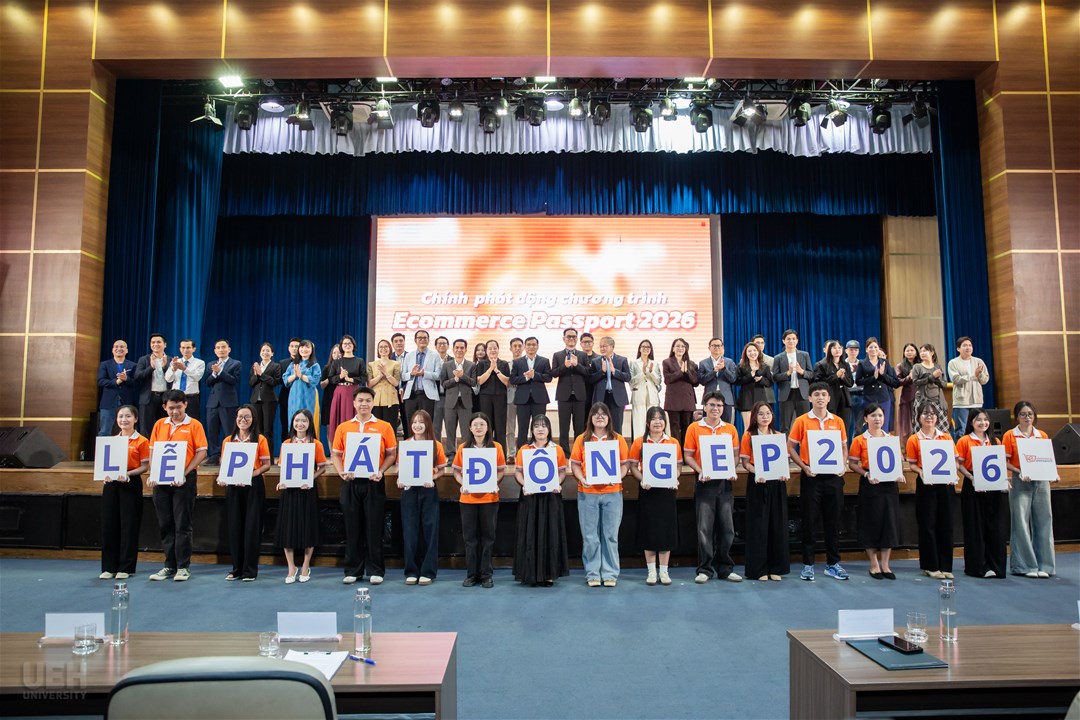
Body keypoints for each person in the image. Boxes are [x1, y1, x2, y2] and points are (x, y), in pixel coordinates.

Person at [333, 386, 398, 585]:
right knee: (352, 527)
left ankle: (376, 570)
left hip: (373, 482)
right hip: (351, 482)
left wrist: (381, 470)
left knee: (374, 527)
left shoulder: (384, 426)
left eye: (368, 400)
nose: (364, 404)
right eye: (360, 400)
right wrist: (341, 471)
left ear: (373, 403)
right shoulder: (343, 427)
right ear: (354, 403)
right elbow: (336, 455)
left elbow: (391, 454)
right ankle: (353, 570)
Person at [788, 382, 848, 582]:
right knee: (809, 521)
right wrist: (804, 467)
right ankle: (808, 564)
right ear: (810, 398)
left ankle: (833, 564)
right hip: (811, 477)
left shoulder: (837, 421)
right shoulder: (802, 421)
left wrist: (843, 464)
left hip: (833, 477)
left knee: (834, 521)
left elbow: (843, 446)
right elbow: (790, 447)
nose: (820, 397)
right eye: (816, 394)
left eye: (823, 394)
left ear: (829, 398)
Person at [147, 390, 208, 582]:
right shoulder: (159, 424)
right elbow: (152, 450)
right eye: (171, 408)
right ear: (164, 407)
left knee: (182, 524)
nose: (175, 412)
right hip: (162, 481)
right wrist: (153, 473)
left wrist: (184, 473)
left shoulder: (194, 424)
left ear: (186, 405)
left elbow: (202, 452)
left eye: (179, 407)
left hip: (184, 480)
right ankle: (169, 565)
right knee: (165, 524)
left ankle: (183, 567)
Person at [683, 391, 743, 584]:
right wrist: (700, 470)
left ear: (723, 408)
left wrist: (732, 468)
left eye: (719, 405)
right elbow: (688, 455)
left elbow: (735, 455)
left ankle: (725, 568)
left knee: (727, 529)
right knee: (704, 529)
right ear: (704, 406)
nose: (715, 409)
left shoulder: (730, 429)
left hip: (725, 484)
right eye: (711, 405)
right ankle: (705, 569)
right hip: (704, 483)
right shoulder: (694, 428)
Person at [570, 403, 629, 587]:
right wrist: (582, 478)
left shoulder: (618, 439)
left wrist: (617, 477)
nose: (600, 417)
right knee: (590, 536)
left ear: (609, 418)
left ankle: (610, 573)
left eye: (604, 414)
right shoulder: (582, 439)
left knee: (610, 536)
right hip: (588, 493)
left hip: (613, 493)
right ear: (591, 418)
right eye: (596, 414)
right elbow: (575, 464)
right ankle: (593, 573)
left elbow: (625, 464)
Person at [513, 414, 569, 587]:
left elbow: (562, 472)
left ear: (549, 430)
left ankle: (549, 574)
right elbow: (518, 472)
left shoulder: (557, 449)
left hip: (550, 497)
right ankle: (529, 573)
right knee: (529, 533)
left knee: (550, 534)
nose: (540, 429)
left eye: (544, 426)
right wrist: (525, 484)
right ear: (532, 430)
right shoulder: (524, 449)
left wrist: (557, 483)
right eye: (536, 426)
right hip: (530, 497)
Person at [848, 403, 902, 580]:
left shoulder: (891, 438)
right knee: (870, 523)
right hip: (870, 484)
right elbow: (852, 464)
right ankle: (874, 564)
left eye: (880, 415)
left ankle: (886, 564)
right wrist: (866, 474)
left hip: (889, 486)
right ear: (865, 419)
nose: (877, 419)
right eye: (873, 416)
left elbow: (897, 462)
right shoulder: (859, 440)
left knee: (889, 523)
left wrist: (899, 473)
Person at [1003, 401, 1057, 578]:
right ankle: (1025, 566)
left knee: (1044, 521)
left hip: (1041, 481)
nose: (1027, 417)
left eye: (1030, 414)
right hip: (1020, 481)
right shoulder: (1010, 435)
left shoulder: (1042, 435)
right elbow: (1005, 461)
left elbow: (1047, 459)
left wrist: (1053, 473)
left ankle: (1045, 566)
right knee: (1020, 523)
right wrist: (1019, 471)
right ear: (1017, 417)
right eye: (1023, 414)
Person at [217, 404, 270, 581]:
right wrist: (222, 477)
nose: (243, 420)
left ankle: (249, 570)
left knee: (252, 529)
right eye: (240, 416)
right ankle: (236, 569)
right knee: (234, 528)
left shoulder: (260, 439)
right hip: (233, 487)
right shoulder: (228, 440)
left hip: (253, 485)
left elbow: (266, 465)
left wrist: (249, 475)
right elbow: (224, 464)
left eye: (247, 417)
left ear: (253, 419)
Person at [454, 412, 506, 588]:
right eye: (475, 424)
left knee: (488, 538)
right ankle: (471, 574)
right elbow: (456, 471)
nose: (478, 428)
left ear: (487, 427)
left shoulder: (496, 447)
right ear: (470, 428)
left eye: (482, 424)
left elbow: (500, 470)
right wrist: (463, 483)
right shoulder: (463, 448)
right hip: (467, 499)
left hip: (489, 499)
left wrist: (495, 482)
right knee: (470, 539)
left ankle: (486, 574)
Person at [276, 408, 327, 583]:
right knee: (287, 529)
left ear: (309, 423)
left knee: (308, 528)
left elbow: (322, 467)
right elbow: (283, 468)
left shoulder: (316, 444)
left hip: (307, 491)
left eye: (304, 421)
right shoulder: (286, 443)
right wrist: (282, 482)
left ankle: (305, 565)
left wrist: (310, 479)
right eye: (297, 420)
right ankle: (291, 567)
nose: (300, 424)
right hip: (289, 491)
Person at [629, 406, 679, 586]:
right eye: (654, 418)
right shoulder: (639, 442)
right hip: (648, 491)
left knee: (666, 531)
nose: (657, 422)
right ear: (647, 423)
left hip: (667, 492)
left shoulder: (673, 442)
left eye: (660, 418)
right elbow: (633, 466)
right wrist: (642, 479)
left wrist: (675, 478)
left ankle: (664, 571)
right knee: (648, 530)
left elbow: (678, 466)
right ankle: (651, 571)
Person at [906, 403, 957, 579]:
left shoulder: (946, 438)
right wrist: (920, 472)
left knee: (946, 524)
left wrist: (953, 473)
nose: (929, 417)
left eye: (932, 414)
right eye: (925, 414)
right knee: (927, 525)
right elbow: (912, 464)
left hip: (946, 485)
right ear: (918, 418)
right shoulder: (914, 439)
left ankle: (946, 566)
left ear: (937, 418)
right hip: (926, 485)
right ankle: (930, 566)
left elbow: (954, 460)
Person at [98, 405, 150, 579]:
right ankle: (109, 567)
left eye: (128, 416)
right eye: (120, 416)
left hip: (130, 483)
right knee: (109, 525)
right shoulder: (111, 441)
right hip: (111, 484)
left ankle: (125, 567)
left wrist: (128, 474)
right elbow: (105, 465)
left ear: (136, 419)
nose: (124, 420)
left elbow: (145, 466)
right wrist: (105, 475)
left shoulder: (142, 441)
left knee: (129, 525)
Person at [740, 401, 789, 582]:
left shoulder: (778, 436)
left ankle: (776, 567)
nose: (765, 417)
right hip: (758, 482)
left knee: (777, 524)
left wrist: (783, 473)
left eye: (768, 413)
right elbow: (745, 463)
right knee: (758, 526)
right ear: (755, 416)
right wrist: (757, 472)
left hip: (777, 483)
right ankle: (758, 569)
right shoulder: (748, 436)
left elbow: (783, 461)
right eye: (761, 414)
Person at [955, 409, 1007, 579]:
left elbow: (999, 464)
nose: (983, 423)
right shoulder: (964, 441)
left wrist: (1004, 481)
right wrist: (971, 478)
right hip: (973, 486)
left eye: (985, 419)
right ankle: (978, 566)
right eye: (978, 420)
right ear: (971, 422)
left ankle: (996, 566)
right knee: (975, 527)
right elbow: (959, 464)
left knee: (995, 527)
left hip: (993, 488)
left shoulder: (995, 441)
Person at [398, 410, 446, 586]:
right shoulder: (405, 444)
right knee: (410, 532)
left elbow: (442, 469)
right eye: (414, 422)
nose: (417, 425)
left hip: (428, 491)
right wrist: (400, 480)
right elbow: (400, 468)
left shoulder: (436, 445)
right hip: (409, 491)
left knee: (430, 531)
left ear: (428, 424)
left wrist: (433, 477)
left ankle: (428, 571)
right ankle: (411, 570)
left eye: (421, 422)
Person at [552, 328, 591, 455]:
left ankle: (578, 453)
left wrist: (576, 365)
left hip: (580, 396)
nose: (571, 339)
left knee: (579, 428)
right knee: (564, 428)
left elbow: (588, 373)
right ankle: (565, 454)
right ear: (564, 339)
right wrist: (565, 366)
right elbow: (554, 373)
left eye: (574, 336)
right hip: (564, 396)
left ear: (577, 339)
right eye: (569, 336)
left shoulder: (583, 355)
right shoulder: (557, 355)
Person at [510, 336, 552, 451]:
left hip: (540, 399)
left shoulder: (544, 361)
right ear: (525, 347)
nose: (531, 347)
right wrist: (526, 378)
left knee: (539, 427)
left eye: (534, 344)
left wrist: (535, 375)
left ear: (537, 346)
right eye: (528, 344)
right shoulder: (517, 362)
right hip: (522, 400)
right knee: (522, 428)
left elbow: (548, 377)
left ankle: (540, 450)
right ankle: (521, 453)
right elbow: (513, 379)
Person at [204, 339, 241, 465]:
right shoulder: (210, 364)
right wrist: (214, 374)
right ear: (215, 351)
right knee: (212, 430)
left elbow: (234, 380)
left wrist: (220, 372)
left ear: (229, 349)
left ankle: (230, 455)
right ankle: (214, 455)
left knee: (229, 430)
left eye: (223, 347)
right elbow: (208, 382)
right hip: (213, 403)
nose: (221, 350)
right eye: (218, 348)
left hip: (228, 402)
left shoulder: (235, 363)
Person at [947, 336, 990, 440]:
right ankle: (960, 449)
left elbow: (985, 380)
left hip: (977, 401)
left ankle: (976, 448)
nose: (968, 347)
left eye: (970, 345)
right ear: (958, 348)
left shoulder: (978, 361)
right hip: (961, 402)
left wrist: (979, 375)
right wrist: (973, 375)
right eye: (965, 345)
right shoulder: (953, 363)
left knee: (978, 428)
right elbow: (955, 379)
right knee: (961, 430)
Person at [855, 337, 900, 434]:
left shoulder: (884, 362)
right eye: (870, 347)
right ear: (866, 350)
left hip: (883, 398)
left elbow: (895, 383)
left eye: (875, 347)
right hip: (869, 398)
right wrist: (873, 378)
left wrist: (883, 375)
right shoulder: (862, 363)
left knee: (883, 426)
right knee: (870, 426)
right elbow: (858, 381)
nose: (873, 349)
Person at [473, 340, 511, 448]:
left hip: (500, 397)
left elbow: (507, 382)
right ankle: (487, 451)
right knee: (487, 426)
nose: (493, 350)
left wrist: (497, 370)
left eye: (495, 348)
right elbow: (480, 381)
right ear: (486, 350)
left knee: (500, 427)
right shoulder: (481, 364)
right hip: (485, 398)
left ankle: (501, 453)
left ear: (498, 350)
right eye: (490, 348)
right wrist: (491, 368)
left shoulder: (504, 364)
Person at [328, 334, 366, 441]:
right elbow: (330, 379)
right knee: (339, 418)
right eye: (345, 344)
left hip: (354, 391)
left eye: (349, 343)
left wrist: (350, 379)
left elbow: (363, 377)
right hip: (340, 392)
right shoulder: (337, 362)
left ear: (353, 345)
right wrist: (340, 376)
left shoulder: (359, 361)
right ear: (341, 346)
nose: (347, 345)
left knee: (353, 416)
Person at [590, 336, 632, 435]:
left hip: (617, 398)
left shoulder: (622, 360)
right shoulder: (595, 361)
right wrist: (602, 372)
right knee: (600, 426)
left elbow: (628, 377)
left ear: (612, 346)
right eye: (601, 346)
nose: (602, 348)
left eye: (604, 346)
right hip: (601, 397)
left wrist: (614, 371)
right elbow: (591, 379)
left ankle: (617, 444)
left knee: (617, 427)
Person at [772, 329, 811, 432]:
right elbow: (775, 377)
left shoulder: (804, 355)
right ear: (783, 341)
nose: (791, 341)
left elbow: (811, 375)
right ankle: (785, 443)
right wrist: (788, 373)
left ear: (797, 341)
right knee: (785, 426)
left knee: (804, 425)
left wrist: (801, 371)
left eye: (794, 339)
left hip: (802, 394)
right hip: (786, 395)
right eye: (788, 339)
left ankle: (804, 443)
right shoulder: (778, 358)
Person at [97, 340, 138, 436]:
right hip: (108, 402)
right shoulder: (105, 364)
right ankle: (103, 447)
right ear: (112, 350)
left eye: (122, 347)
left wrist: (126, 379)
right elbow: (100, 381)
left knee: (128, 430)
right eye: (116, 347)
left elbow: (137, 383)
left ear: (127, 350)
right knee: (105, 431)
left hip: (127, 401)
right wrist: (116, 382)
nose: (119, 349)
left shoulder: (133, 365)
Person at [441, 338, 476, 453]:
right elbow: (444, 384)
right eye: (457, 347)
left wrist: (462, 376)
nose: (459, 350)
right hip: (450, 403)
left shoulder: (471, 365)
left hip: (465, 403)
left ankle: (466, 454)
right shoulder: (446, 365)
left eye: (462, 348)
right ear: (453, 349)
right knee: (450, 431)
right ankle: (451, 455)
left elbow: (473, 382)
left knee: (466, 431)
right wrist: (455, 379)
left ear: (466, 350)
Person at [662, 337, 699, 444]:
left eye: (683, 346)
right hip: (673, 401)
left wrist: (686, 372)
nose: (680, 348)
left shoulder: (691, 364)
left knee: (687, 427)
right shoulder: (667, 362)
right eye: (677, 346)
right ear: (673, 348)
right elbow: (667, 380)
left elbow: (695, 382)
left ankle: (686, 451)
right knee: (675, 428)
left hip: (687, 400)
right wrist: (680, 372)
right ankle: (677, 451)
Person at [401, 330, 442, 422]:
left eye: (425, 338)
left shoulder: (435, 356)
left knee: (426, 423)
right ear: (415, 340)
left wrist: (425, 374)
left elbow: (438, 375)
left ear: (428, 340)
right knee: (411, 423)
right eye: (420, 338)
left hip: (427, 396)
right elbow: (403, 376)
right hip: (411, 395)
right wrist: (411, 373)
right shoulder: (408, 356)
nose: (422, 340)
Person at [248, 342, 282, 454]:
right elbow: (251, 383)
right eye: (263, 350)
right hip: (255, 400)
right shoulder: (255, 366)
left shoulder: (276, 366)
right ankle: (257, 455)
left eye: (268, 350)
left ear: (272, 353)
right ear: (260, 353)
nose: (265, 352)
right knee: (257, 429)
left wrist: (261, 374)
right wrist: (256, 374)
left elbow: (274, 382)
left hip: (269, 400)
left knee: (267, 430)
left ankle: (269, 457)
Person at [284, 339, 321, 439]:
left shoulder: (314, 365)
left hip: (308, 396)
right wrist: (295, 375)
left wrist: (301, 376)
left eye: (307, 347)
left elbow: (315, 380)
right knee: (293, 417)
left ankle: (309, 441)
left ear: (312, 350)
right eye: (302, 347)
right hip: (294, 396)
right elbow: (286, 379)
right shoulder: (293, 364)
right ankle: (294, 441)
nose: (304, 349)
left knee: (307, 417)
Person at [911, 343, 950, 435]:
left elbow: (944, 384)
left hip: (937, 401)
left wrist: (937, 379)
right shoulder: (917, 367)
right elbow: (915, 382)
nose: (922, 353)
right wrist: (931, 377)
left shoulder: (938, 367)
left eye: (925, 351)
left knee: (941, 428)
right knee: (921, 427)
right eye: (921, 351)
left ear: (932, 353)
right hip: (922, 401)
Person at [134, 333, 169, 435]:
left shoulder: (170, 360)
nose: (155, 344)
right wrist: (151, 368)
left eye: (158, 342)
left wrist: (165, 368)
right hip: (148, 397)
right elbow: (137, 376)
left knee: (164, 428)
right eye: (153, 342)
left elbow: (173, 379)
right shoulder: (144, 359)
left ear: (165, 344)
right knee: (145, 429)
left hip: (165, 398)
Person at [628, 339, 662, 443]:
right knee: (639, 424)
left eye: (648, 347)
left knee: (653, 421)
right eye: (643, 347)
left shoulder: (655, 363)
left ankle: (653, 444)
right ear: (639, 349)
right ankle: (639, 446)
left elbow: (658, 381)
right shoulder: (634, 363)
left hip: (652, 397)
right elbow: (631, 381)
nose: (646, 349)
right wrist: (642, 373)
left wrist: (651, 372)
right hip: (639, 397)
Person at [164, 339, 205, 422]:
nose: (185, 350)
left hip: (191, 398)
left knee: (192, 422)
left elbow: (197, 377)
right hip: (176, 398)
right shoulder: (175, 362)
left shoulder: (199, 363)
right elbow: (168, 379)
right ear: (180, 349)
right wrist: (173, 369)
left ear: (194, 349)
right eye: (183, 348)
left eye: (188, 347)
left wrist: (184, 368)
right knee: (175, 421)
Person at [699, 338, 738, 424]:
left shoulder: (729, 362)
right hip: (709, 398)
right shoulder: (703, 363)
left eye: (719, 345)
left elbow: (733, 379)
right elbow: (702, 381)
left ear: (723, 348)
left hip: (726, 399)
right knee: (708, 424)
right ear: (709, 348)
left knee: (726, 425)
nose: (717, 347)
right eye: (714, 345)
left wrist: (724, 369)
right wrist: (713, 371)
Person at [812, 340, 853, 421]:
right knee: (830, 423)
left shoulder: (845, 364)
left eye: (839, 348)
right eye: (834, 348)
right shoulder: (821, 364)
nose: (838, 350)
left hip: (844, 397)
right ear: (829, 350)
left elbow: (850, 383)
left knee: (844, 423)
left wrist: (843, 377)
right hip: (830, 398)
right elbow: (819, 384)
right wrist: (836, 376)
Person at [735, 342, 772, 429]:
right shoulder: (741, 366)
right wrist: (750, 375)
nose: (752, 353)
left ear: (758, 352)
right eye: (749, 351)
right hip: (746, 399)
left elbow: (769, 382)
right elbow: (737, 381)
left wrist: (761, 380)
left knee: (761, 427)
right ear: (746, 353)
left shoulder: (764, 366)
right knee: (748, 427)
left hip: (760, 398)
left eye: (755, 350)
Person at [368, 339, 401, 427]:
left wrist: (386, 373)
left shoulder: (396, 364)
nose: (383, 349)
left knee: (390, 427)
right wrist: (380, 376)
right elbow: (369, 384)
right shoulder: (371, 364)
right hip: (376, 399)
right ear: (378, 349)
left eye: (386, 346)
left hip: (391, 399)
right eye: (381, 347)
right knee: (376, 427)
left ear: (390, 348)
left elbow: (396, 383)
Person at [894, 343, 919, 448]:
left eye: (912, 350)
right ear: (904, 353)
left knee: (919, 422)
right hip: (906, 398)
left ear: (916, 352)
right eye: (907, 350)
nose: (909, 352)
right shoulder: (900, 366)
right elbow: (898, 382)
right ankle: (906, 448)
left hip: (920, 397)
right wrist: (909, 377)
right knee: (906, 425)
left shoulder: (920, 365)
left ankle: (919, 446)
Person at [277, 337, 300, 441]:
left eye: (297, 346)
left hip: (300, 397)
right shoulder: (283, 363)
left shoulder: (306, 362)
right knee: (285, 426)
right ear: (288, 348)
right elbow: (279, 380)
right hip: (286, 397)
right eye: (292, 346)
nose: (294, 348)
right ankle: (285, 448)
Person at [319, 343, 342, 441]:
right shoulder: (327, 368)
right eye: (334, 353)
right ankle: (332, 450)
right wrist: (330, 378)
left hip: (341, 399)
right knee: (330, 427)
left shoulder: (346, 368)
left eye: (339, 353)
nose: (336, 355)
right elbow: (322, 385)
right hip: (329, 399)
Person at [506, 337, 524, 457]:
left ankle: (523, 452)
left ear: (523, 347)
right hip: (510, 398)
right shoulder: (506, 365)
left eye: (519, 346)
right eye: (515, 346)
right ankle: (511, 454)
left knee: (524, 427)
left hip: (525, 398)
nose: (517, 348)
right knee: (510, 428)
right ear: (510, 348)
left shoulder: (528, 363)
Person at [842, 340, 863, 442]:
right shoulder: (842, 364)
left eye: (855, 350)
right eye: (851, 350)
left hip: (860, 394)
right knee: (845, 424)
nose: (853, 352)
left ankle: (856, 447)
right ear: (846, 351)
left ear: (858, 351)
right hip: (846, 394)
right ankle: (844, 447)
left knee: (858, 425)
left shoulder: (862, 364)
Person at [432, 336, 450, 445]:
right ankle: (437, 450)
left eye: (444, 343)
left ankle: (451, 452)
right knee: (436, 426)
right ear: (436, 346)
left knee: (450, 426)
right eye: (439, 343)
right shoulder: (431, 360)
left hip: (450, 397)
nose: (442, 345)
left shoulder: (453, 360)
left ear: (448, 346)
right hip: (436, 397)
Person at [470, 343, 487, 413]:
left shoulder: (488, 365)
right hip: (473, 394)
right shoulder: (472, 365)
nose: (480, 352)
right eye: (478, 350)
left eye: (483, 350)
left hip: (484, 393)